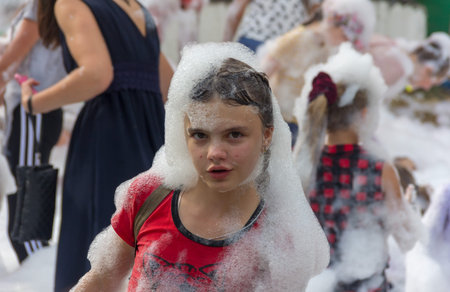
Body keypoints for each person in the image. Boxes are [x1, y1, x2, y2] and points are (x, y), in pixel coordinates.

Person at [70, 42, 330, 291]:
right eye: (200, 135)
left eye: (235, 135)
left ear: (267, 136)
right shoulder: (148, 196)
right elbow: (102, 281)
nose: (214, 153)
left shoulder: (279, 238)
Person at [18, 0, 173, 290]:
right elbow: (169, 84)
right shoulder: (134, 6)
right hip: (153, 133)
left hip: (108, 136)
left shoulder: (72, 1)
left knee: (100, 238)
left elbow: (96, 75)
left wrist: (35, 102)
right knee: (145, 236)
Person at [293, 43, 422, 291]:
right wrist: (409, 206)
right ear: (364, 114)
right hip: (367, 284)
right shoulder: (380, 170)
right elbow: (407, 238)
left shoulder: (302, 166)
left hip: (316, 283)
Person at [0, 0, 66, 263]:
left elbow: (13, 57)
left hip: (33, 106)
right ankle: (36, 261)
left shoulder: (44, 3)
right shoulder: (53, 3)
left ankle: (36, 264)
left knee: (26, 190)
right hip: (37, 108)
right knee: (25, 186)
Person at [258, 0, 376, 135]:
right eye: (345, 36)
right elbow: (262, 74)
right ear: (333, 25)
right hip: (281, 120)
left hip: (306, 123)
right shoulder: (298, 38)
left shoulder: (329, 48)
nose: (346, 42)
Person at [223, 0, 325, 52]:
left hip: (253, 38)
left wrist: (224, 47)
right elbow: (317, 14)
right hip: (290, 44)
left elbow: (236, 11)